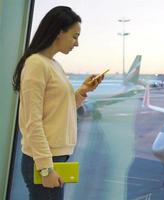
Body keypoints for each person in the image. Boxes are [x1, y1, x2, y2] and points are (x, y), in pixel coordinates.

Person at [12, 6, 103, 200]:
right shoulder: (36, 64)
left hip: (53, 158)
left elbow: (61, 110)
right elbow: (32, 122)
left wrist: (83, 91)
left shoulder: (52, 64)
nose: (76, 44)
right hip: (44, 161)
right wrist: (45, 169)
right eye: (74, 36)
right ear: (59, 32)